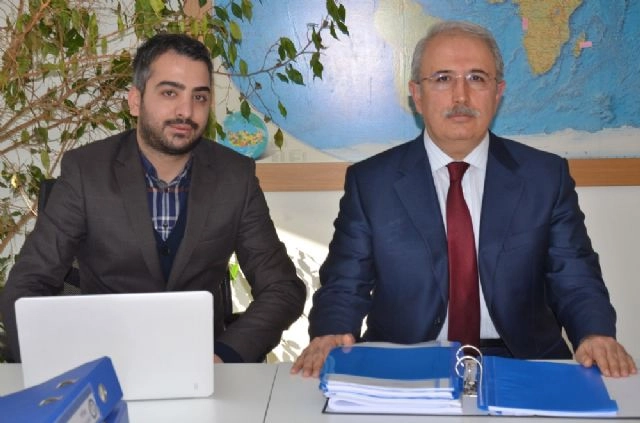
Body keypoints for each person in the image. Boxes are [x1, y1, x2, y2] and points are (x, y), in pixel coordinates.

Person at [291, 21, 637, 378]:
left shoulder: (544, 177)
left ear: (498, 92)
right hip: (406, 361)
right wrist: (331, 331)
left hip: (521, 360)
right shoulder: (372, 182)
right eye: (443, 78)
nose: (461, 96)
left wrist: (594, 333)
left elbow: (574, 275)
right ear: (417, 94)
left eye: (476, 78)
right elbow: (345, 282)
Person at [0, 33, 305, 364]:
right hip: (104, 366)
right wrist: (60, 368)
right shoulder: (87, 172)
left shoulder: (235, 177)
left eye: (199, 97)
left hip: (200, 366)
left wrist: (224, 355)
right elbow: (27, 286)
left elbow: (282, 288)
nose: (186, 111)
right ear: (135, 101)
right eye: (170, 92)